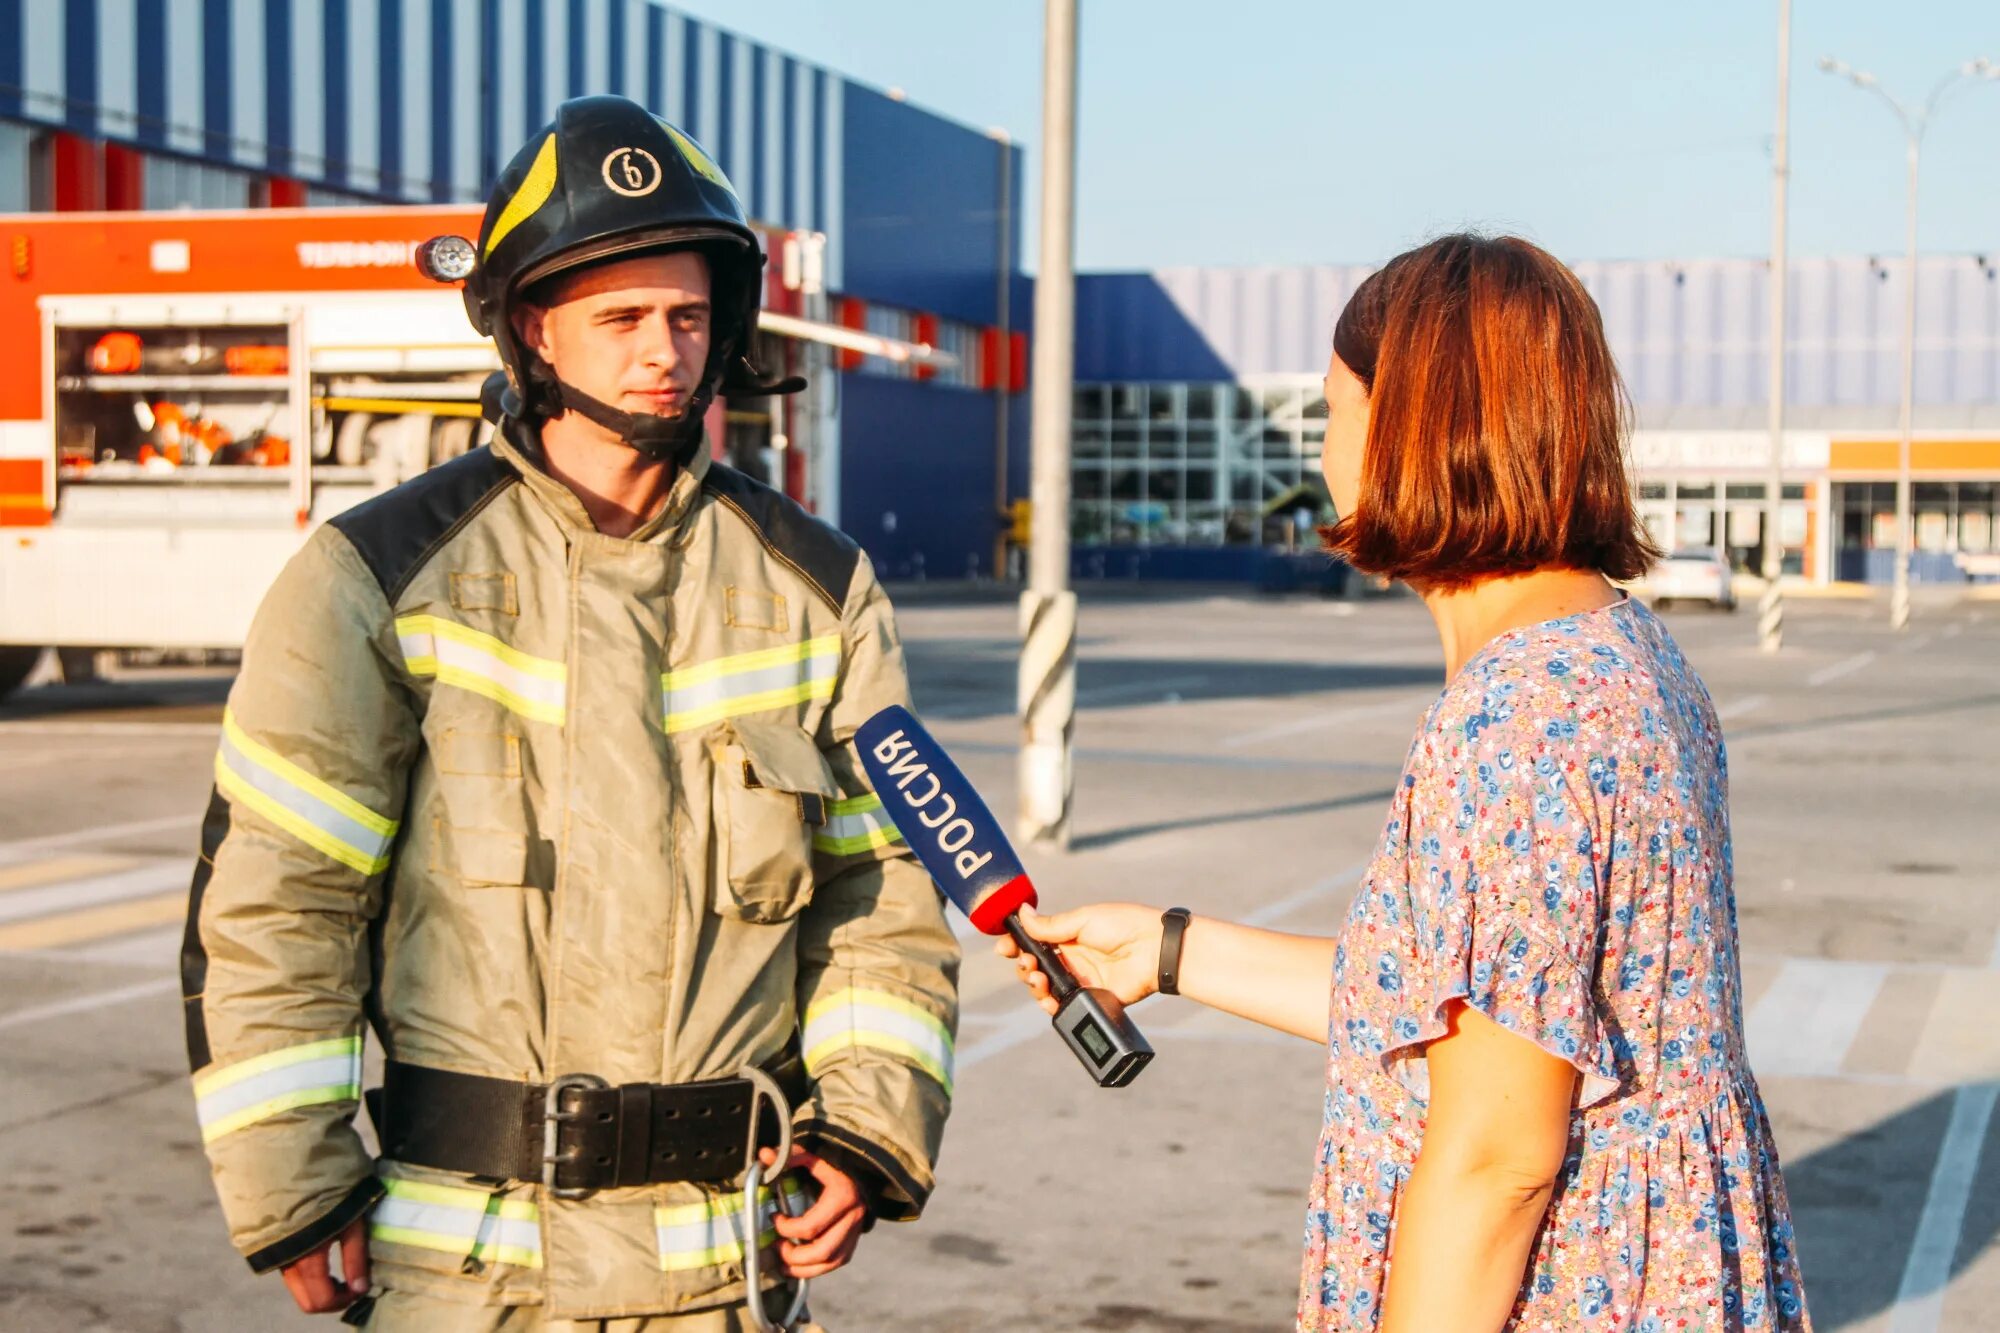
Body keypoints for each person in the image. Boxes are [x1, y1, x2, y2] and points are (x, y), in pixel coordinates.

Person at [180, 95, 959, 1331]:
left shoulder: (816, 589)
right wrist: (293, 1176)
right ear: (536, 330)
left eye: (689, 315)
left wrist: (865, 1128)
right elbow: (282, 896)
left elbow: (880, 904)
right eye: (623, 318)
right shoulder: (377, 575)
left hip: (725, 1272)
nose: (665, 350)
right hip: (464, 1270)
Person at [1000, 235, 1810, 1332]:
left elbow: (1493, 1161)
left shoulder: (1520, 718)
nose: (1322, 443)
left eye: (1334, 408)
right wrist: (1169, 950)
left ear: (1414, 428)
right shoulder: (1620, 651)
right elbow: (1478, 1009)